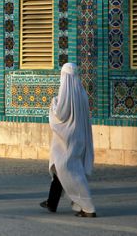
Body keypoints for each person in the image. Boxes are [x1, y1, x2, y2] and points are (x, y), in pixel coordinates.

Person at [40, 63, 96, 217]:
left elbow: (59, 117)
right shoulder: (82, 94)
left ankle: (88, 207)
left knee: (71, 173)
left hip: (66, 142)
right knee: (62, 170)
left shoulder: (64, 97)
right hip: (79, 139)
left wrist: (53, 105)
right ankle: (54, 202)